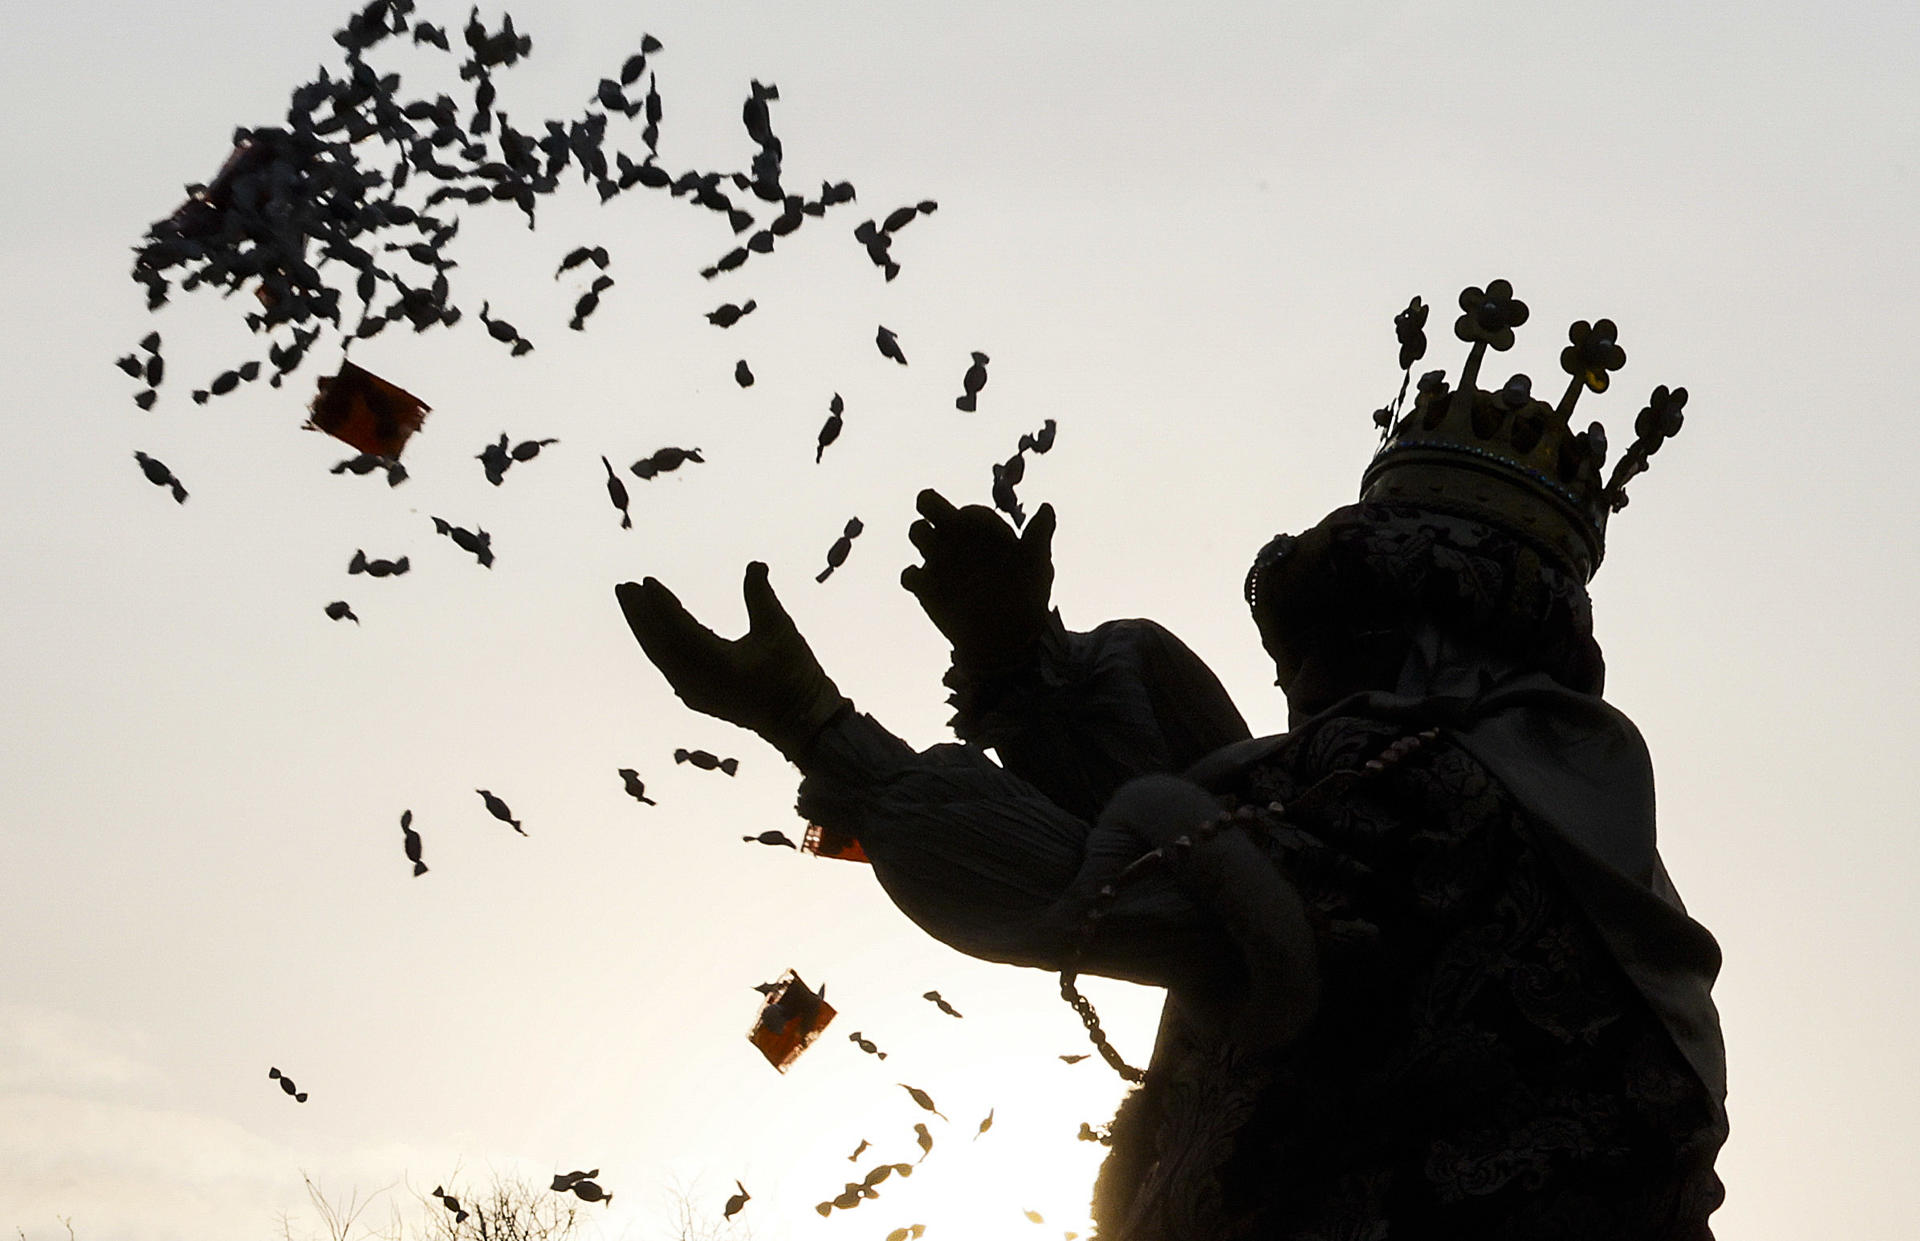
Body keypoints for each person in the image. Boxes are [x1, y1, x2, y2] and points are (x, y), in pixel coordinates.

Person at [617, 284, 1727, 1239]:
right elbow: (1207, 806)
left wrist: (811, 722)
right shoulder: (1534, 819)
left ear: (1423, 636)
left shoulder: (1428, 801)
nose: (1298, 684)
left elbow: (1090, 886)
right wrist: (1018, 668)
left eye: (1330, 646)